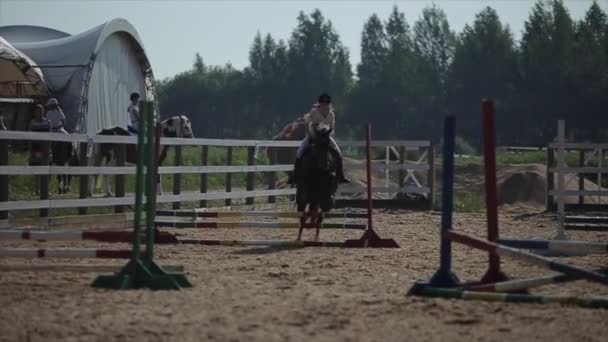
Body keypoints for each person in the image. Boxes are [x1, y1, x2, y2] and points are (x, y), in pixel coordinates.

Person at [289, 93, 350, 184]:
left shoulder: (331, 114)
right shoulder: (314, 112)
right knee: (299, 152)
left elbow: (332, 127)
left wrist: (330, 136)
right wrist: (311, 135)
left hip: (326, 136)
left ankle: (340, 176)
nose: (325, 105)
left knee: (338, 153)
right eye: (323, 102)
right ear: (320, 103)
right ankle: (295, 175)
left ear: (329, 104)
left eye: (326, 103)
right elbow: (308, 125)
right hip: (313, 135)